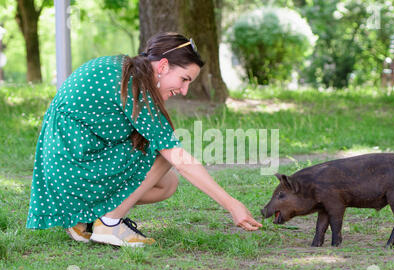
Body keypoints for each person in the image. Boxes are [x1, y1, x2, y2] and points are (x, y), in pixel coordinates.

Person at [26, 32, 262, 247]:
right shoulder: (134, 85)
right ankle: (108, 224)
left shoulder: (125, 70)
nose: (184, 91)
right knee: (165, 153)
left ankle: (86, 220)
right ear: (163, 66)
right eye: (184, 79)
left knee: (167, 184)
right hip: (70, 170)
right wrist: (232, 204)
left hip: (66, 169)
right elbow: (179, 158)